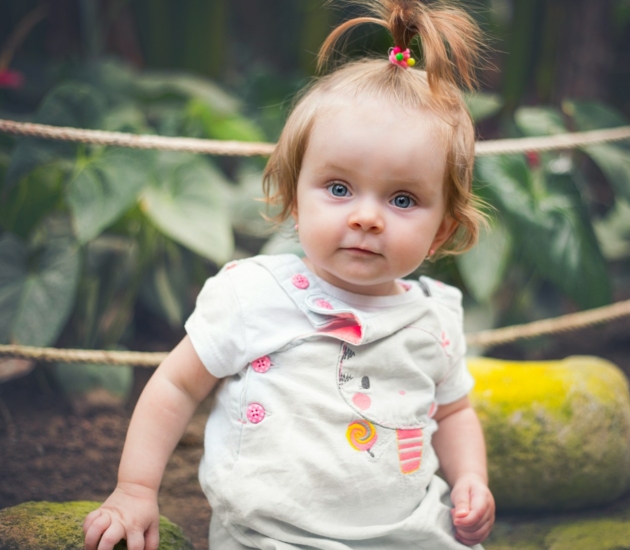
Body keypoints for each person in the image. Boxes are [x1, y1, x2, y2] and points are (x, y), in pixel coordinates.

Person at [83, 1, 495, 548]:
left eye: (402, 198)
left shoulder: (433, 317)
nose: (366, 216)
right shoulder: (254, 295)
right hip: (275, 537)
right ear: (295, 199)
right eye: (340, 188)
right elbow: (176, 385)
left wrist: (470, 479)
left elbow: (456, 411)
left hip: (410, 536)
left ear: (442, 230)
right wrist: (135, 489)